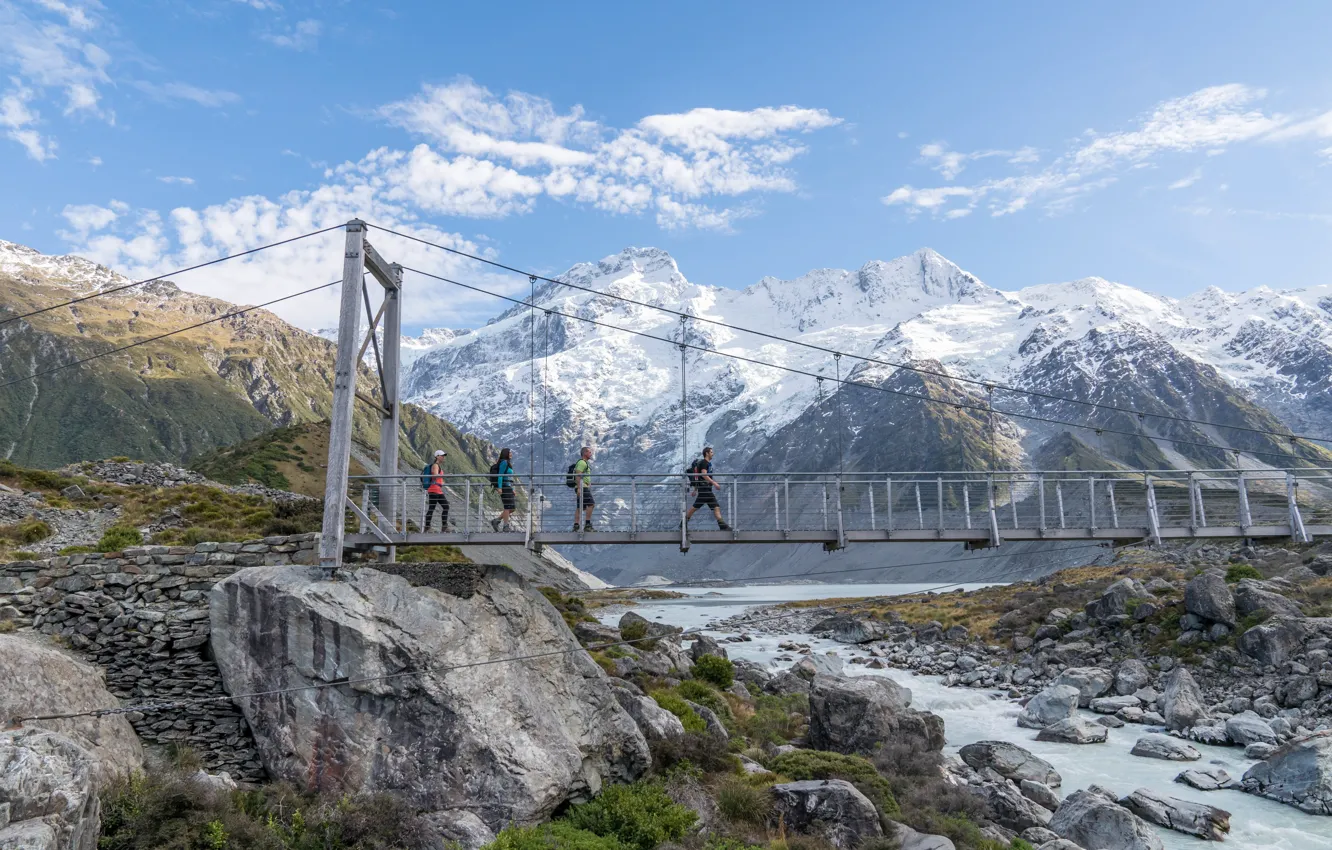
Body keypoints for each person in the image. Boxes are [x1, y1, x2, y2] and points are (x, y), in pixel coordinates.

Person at [685, 446, 731, 530]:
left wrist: (695, 489)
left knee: (715, 507)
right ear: (707, 453)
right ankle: (683, 523)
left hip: (706, 490)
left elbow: (699, 477)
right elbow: (703, 474)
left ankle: (722, 525)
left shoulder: (707, 463)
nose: (713, 454)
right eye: (711, 452)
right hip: (704, 490)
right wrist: (714, 483)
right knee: (695, 507)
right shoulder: (704, 463)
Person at [490, 447, 517, 532]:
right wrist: (499, 487)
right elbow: (500, 475)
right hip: (504, 487)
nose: (511, 454)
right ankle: (505, 526)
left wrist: (512, 489)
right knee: (508, 506)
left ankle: (497, 520)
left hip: (508, 487)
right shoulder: (504, 462)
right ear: (506, 454)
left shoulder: (507, 463)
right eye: (510, 453)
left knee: (512, 508)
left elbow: (509, 477)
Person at [424, 449, 449, 531]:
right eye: (442, 456)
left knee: (444, 506)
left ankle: (443, 526)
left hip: (437, 490)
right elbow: (434, 476)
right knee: (433, 507)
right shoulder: (435, 466)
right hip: (434, 489)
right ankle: (428, 526)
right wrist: (444, 476)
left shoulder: (438, 466)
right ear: (437, 456)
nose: (443, 458)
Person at [573, 446, 594, 532]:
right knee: (591, 504)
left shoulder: (583, 463)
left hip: (582, 486)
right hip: (582, 487)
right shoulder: (582, 463)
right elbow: (578, 474)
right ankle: (587, 525)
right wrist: (579, 488)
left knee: (580, 507)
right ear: (584, 453)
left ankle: (576, 525)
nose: (591, 454)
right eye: (589, 452)